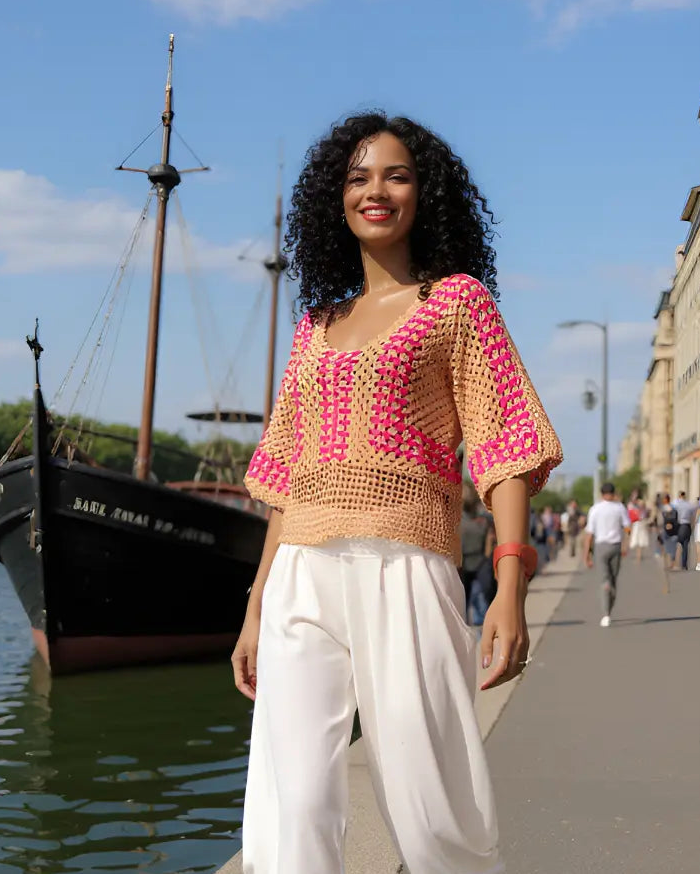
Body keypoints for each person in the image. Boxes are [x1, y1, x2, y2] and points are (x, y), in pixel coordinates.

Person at [231, 112, 563, 874]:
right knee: (291, 804)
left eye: (394, 174)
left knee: (430, 799)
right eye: (356, 177)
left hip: (404, 564)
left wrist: (507, 588)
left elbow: (505, 446)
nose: (373, 190)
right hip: (298, 577)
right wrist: (255, 606)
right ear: (332, 200)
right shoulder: (315, 326)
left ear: (425, 192)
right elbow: (283, 477)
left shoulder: (455, 304)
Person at [584, 482, 631, 627]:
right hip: (615, 546)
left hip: (601, 546)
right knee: (613, 579)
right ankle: (609, 608)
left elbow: (589, 534)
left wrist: (586, 554)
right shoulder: (620, 508)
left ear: (601, 493)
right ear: (614, 493)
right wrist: (625, 545)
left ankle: (606, 614)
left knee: (604, 580)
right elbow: (628, 528)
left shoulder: (595, 509)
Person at [461, 482, 495, 626]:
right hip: (462, 563)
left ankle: (484, 630)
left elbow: (490, 539)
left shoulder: (484, 519)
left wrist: (487, 558)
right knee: (462, 602)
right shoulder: (456, 517)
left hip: (480, 562)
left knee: (481, 598)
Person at [673, 491, 697, 570]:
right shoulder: (689, 505)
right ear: (685, 496)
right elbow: (693, 515)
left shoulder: (675, 504)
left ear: (679, 496)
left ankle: (675, 563)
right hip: (686, 526)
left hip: (678, 526)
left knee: (676, 544)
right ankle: (684, 564)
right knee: (685, 546)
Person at [657, 493, 680, 572]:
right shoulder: (674, 508)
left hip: (664, 530)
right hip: (674, 531)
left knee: (665, 547)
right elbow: (677, 520)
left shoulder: (662, 509)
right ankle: (672, 564)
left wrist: (659, 529)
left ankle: (667, 564)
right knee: (673, 548)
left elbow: (659, 521)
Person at [628, 497, 650, 562]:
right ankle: (638, 556)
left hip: (642, 527)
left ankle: (639, 556)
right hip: (637, 526)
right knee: (637, 541)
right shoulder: (636, 510)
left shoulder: (644, 511)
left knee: (640, 541)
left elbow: (645, 518)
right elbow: (632, 520)